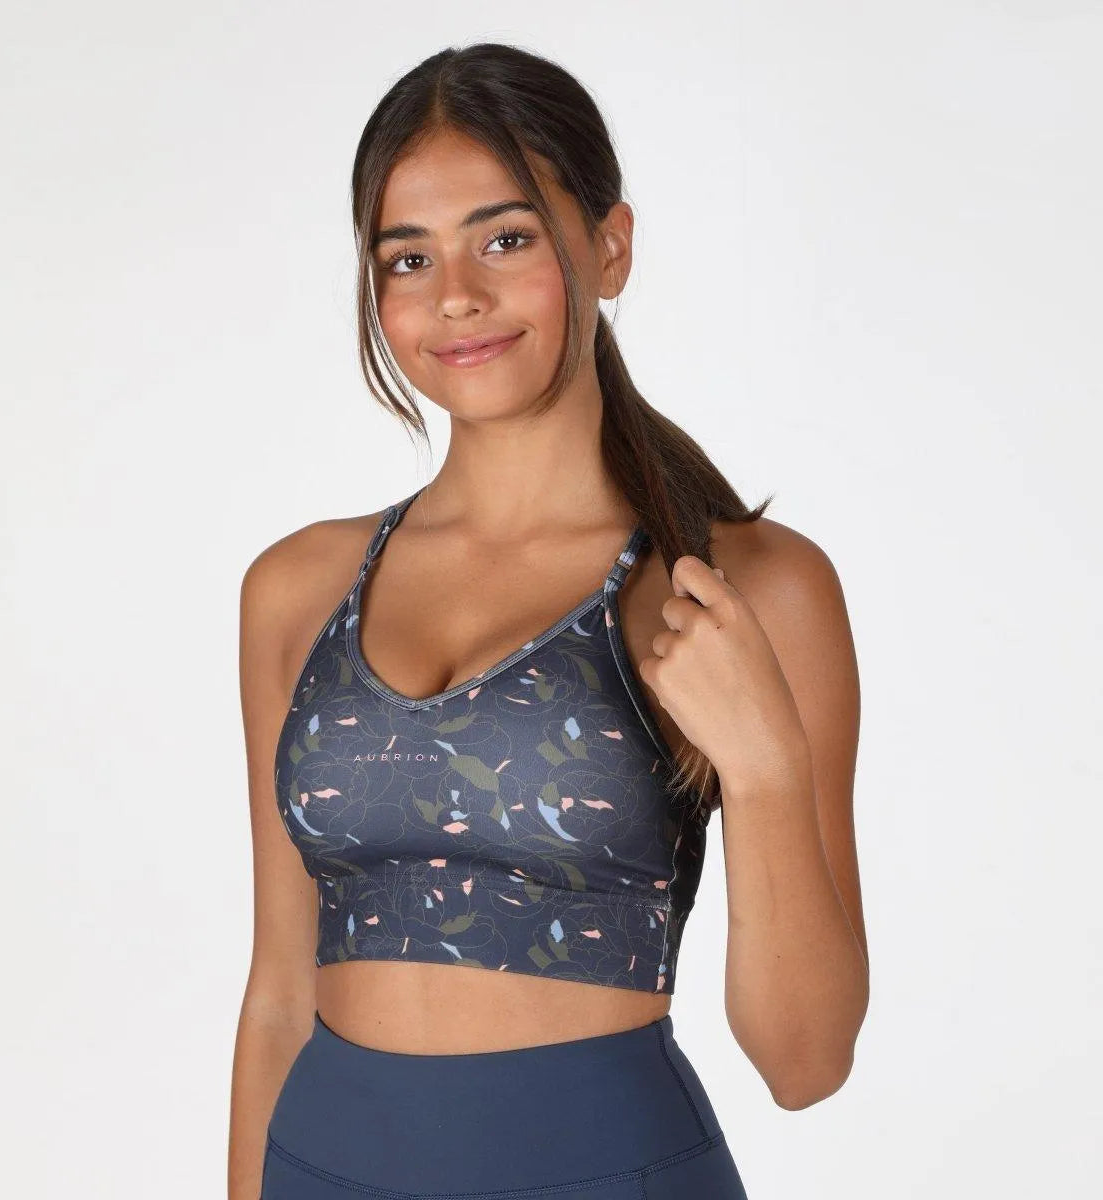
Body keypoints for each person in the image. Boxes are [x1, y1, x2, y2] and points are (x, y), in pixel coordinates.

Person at [229, 42, 869, 1200]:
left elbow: (806, 1062)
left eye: (506, 239)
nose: (456, 294)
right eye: (408, 257)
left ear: (608, 246)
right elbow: (278, 993)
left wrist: (767, 770)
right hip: (320, 1168)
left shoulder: (741, 588)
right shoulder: (297, 589)